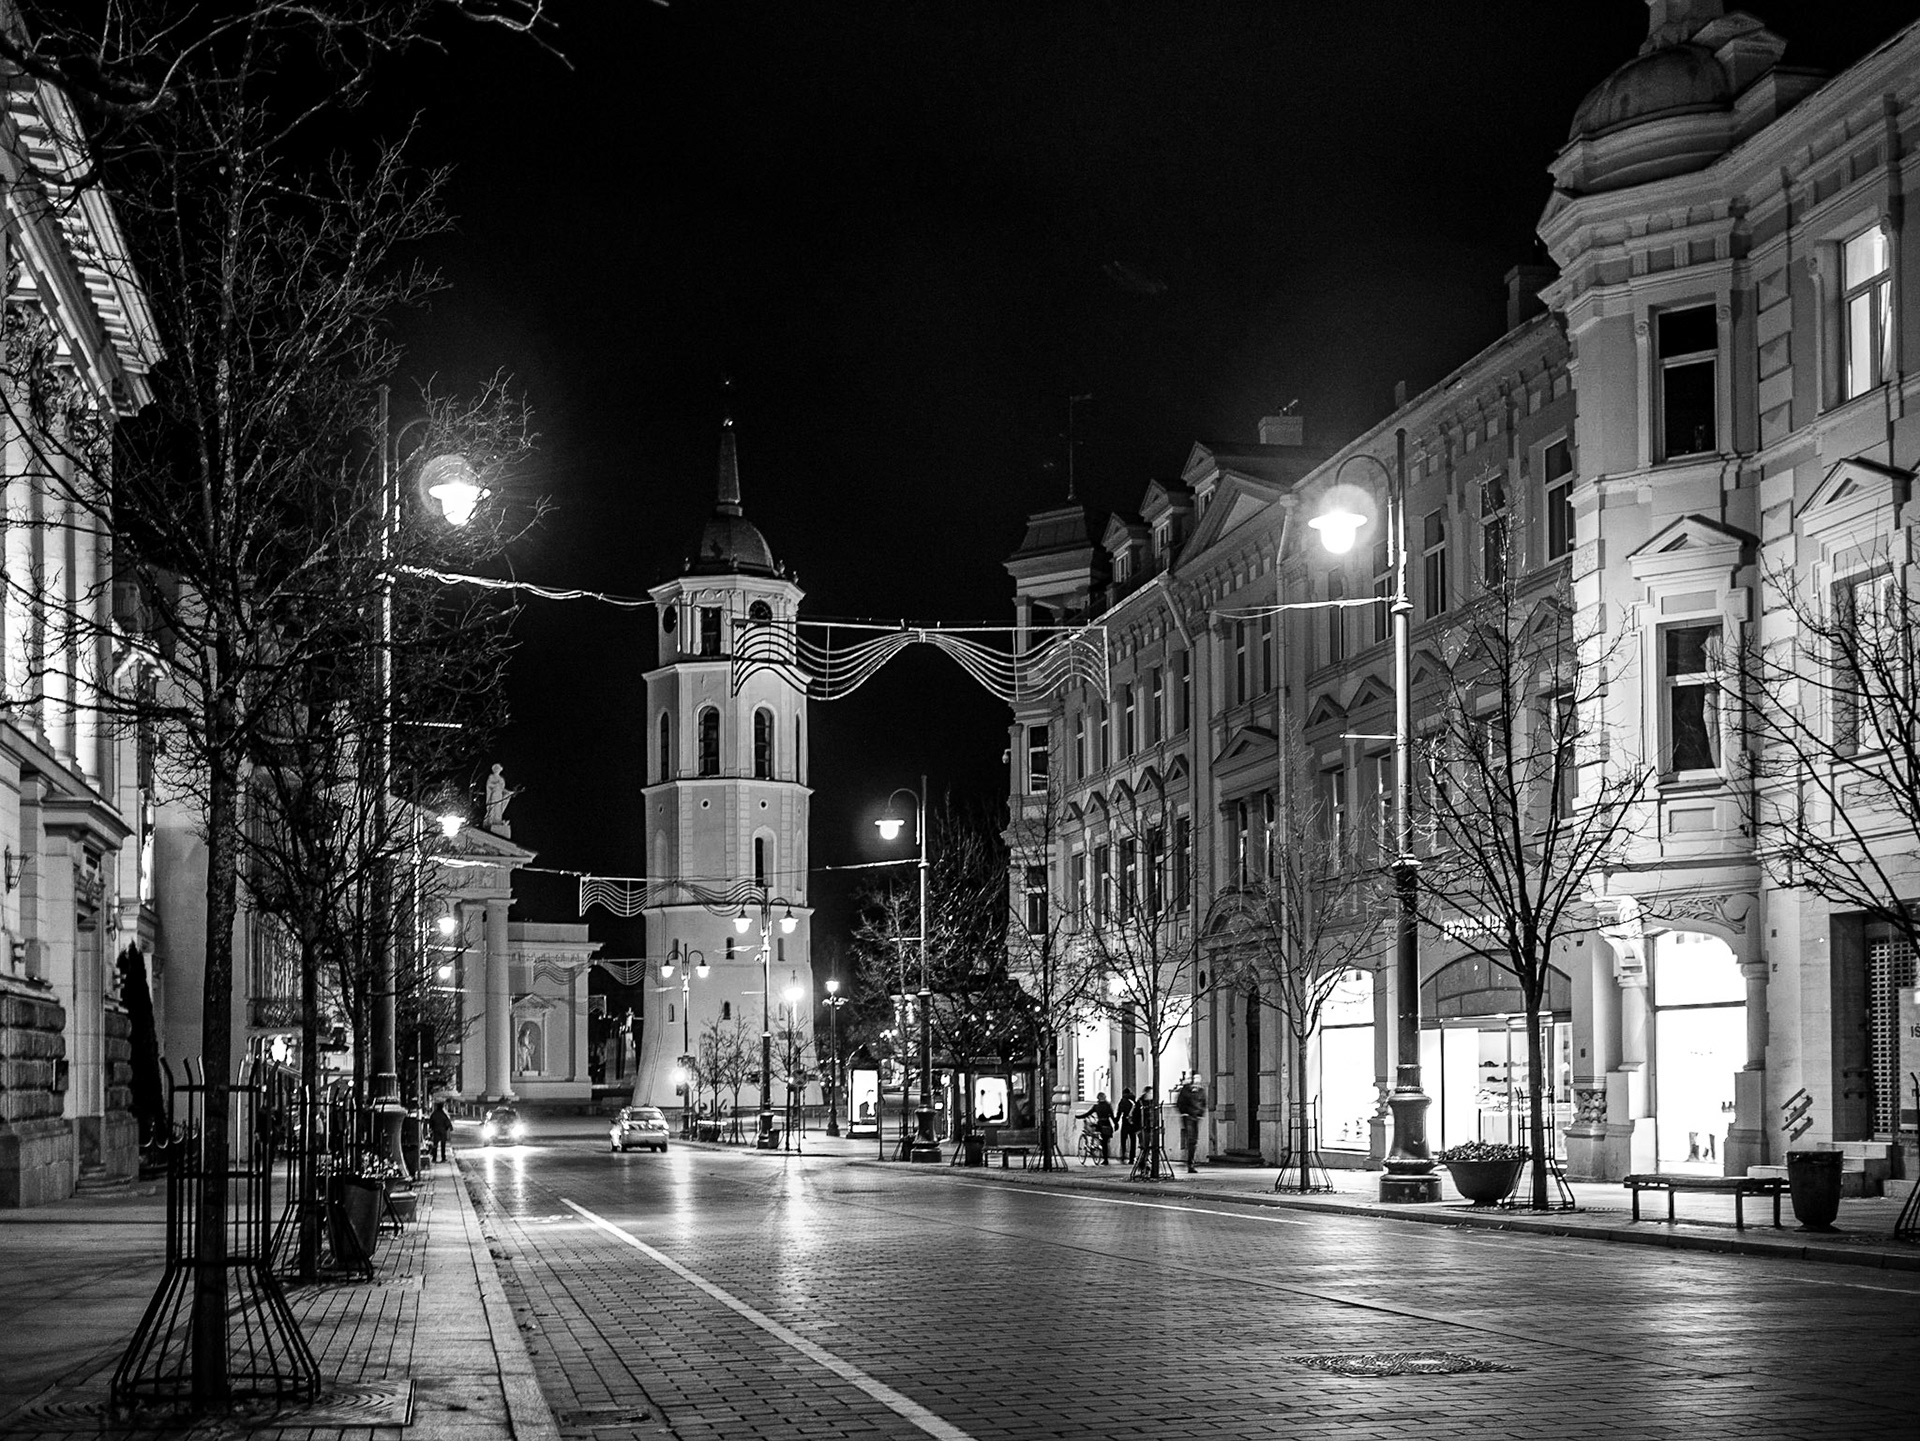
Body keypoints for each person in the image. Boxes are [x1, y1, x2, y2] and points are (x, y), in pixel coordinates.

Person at [1175, 1076, 1207, 1172]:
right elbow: (1179, 1102)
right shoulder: (1186, 1090)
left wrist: (1200, 1113)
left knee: (1194, 1141)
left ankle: (1191, 1162)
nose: (1197, 1083)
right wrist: (1184, 1112)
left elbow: (1204, 1102)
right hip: (1188, 1116)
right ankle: (1190, 1164)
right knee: (1190, 1139)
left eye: (1199, 1081)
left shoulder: (1201, 1091)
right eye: (1196, 1081)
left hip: (1196, 1116)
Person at [1077, 1091, 1116, 1165]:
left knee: (1095, 1133)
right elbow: (1112, 1116)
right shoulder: (1108, 1106)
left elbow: (1088, 1113)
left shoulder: (1096, 1106)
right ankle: (1105, 1158)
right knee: (1105, 1143)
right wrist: (1116, 1124)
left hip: (1100, 1125)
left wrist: (1079, 1116)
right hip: (1107, 1124)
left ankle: (1093, 1145)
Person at [1116, 1087, 1140, 1163]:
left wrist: (1115, 1121)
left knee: (1123, 1140)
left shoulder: (1122, 1101)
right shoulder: (1134, 1101)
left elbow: (1119, 1112)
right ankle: (1131, 1158)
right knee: (1133, 1141)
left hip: (1125, 1122)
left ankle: (1123, 1156)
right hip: (1132, 1123)